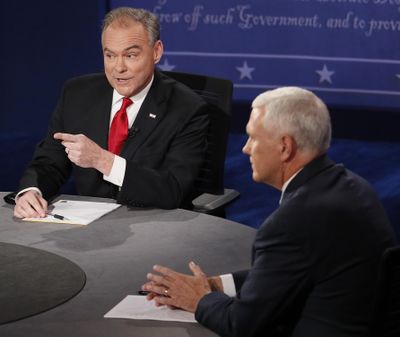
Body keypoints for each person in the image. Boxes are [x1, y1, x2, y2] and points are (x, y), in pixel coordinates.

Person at [142, 87, 397, 337]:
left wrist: (199, 299)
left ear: (285, 147)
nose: (245, 148)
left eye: (253, 137)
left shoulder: (294, 220)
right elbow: (286, 272)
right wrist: (217, 284)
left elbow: (240, 324)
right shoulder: (354, 187)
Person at [13, 7, 209, 218]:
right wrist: (32, 191)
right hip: (88, 229)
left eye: (130, 55)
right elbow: (50, 161)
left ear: (156, 52)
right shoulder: (77, 93)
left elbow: (173, 190)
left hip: (154, 226)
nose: (118, 68)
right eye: (110, 55)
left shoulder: (187, 108)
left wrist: (103, 160)